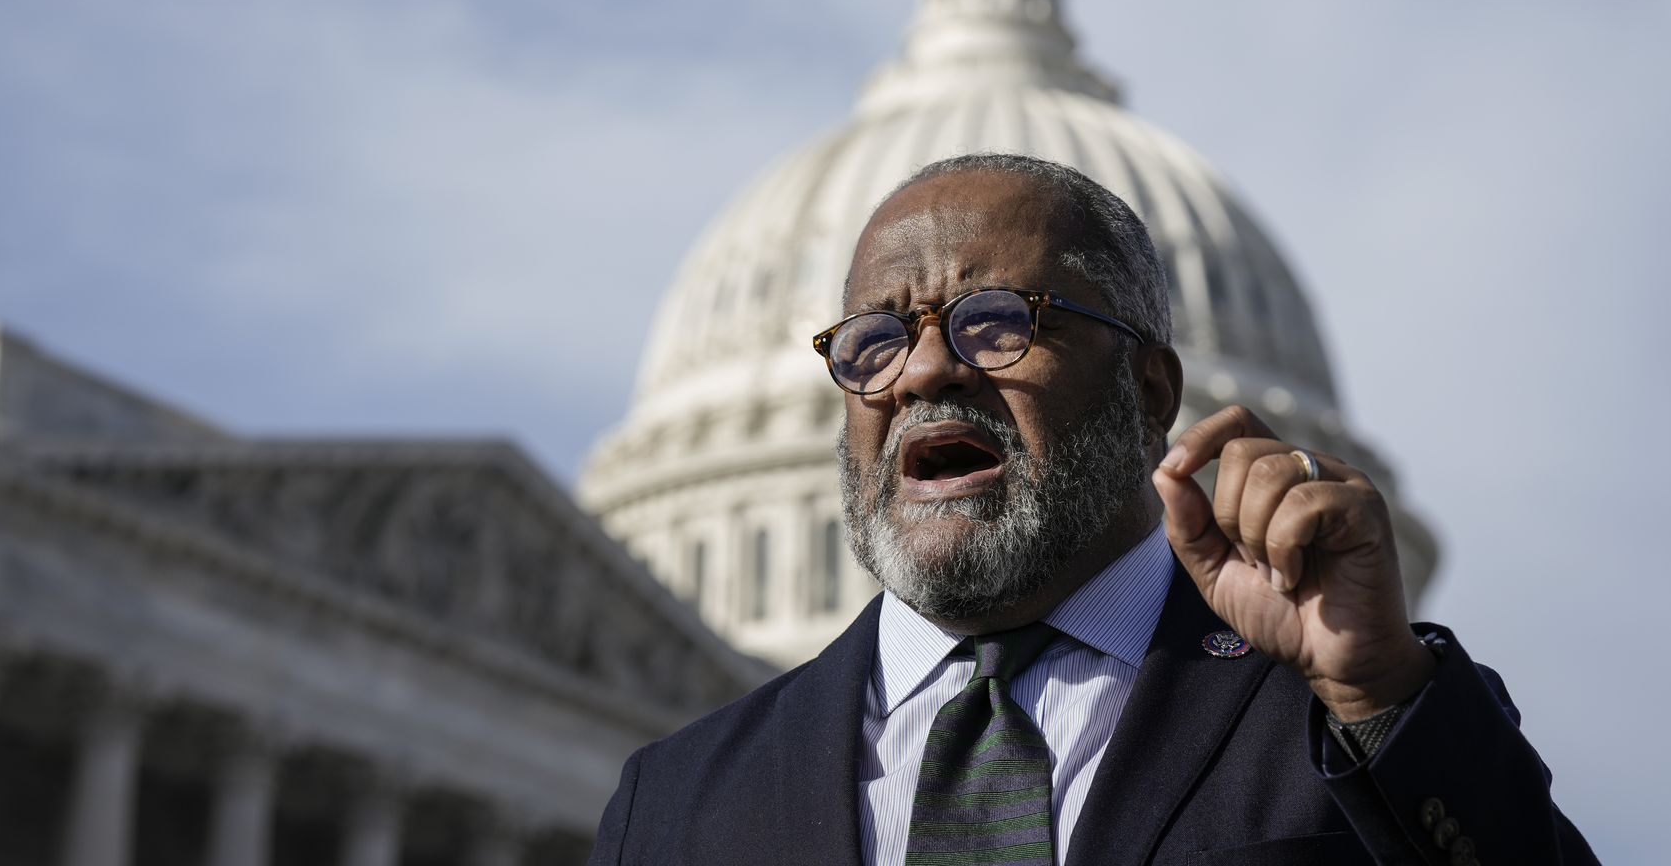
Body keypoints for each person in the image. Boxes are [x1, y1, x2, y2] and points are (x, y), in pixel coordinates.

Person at [588, 154, 1596, 865]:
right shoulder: (674, 803)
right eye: (873, 344)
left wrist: (1378, 691)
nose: (925, 370)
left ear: (1150, 393)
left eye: (997, 325)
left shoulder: (1352, 718)